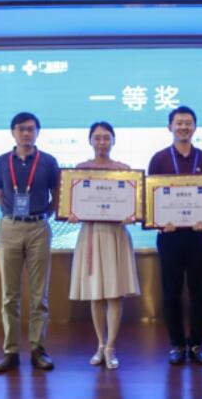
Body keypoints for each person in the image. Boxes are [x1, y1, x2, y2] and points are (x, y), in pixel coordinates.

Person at [0, 112, 60, 374]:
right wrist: (11, 214)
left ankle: (37, 349)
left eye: (31, 129)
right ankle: (10, 351)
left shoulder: (48, 161)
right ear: (13, 132)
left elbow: (57, 195)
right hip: (9, 227)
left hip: (38, 228)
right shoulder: (2, 161)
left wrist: (43, 215)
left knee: (39, 294)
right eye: (21, 129)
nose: (26, 133)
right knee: (10, 295)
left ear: (38, 132)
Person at [68, 121, 141, 370]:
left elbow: (135, 207)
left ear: (113, 140)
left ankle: (111, 347)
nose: (102, 142)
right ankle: (100, 344)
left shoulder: (124, 171)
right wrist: (71, 213)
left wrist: (133, 214)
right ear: (90, 140)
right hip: (90, 234)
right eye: (97, 137)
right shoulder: (80, 171)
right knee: (96, 292)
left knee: (114, 293)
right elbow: (70, 205)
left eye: (106, 137)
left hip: (115, 235)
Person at [148, 106, 202, 365]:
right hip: (170, 236)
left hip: (199, 235)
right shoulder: (159, 159)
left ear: (195, 127)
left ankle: (197, 344)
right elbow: (151, 198)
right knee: (171, 291)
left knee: (199, 291)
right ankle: (176, 344)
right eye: (179, 123)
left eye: (188, 123)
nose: (184, 127)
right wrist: (158, 222)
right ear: (170, 127)